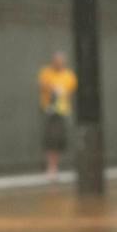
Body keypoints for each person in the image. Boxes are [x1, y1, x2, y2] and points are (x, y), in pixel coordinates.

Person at [37, 50, 77, 180]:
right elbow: (42, 84)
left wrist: (62, 92)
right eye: (56, 61)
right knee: (49, 138)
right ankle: (50, 167)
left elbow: (70, 93)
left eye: (61, 61)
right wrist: (53, 87)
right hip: (49, 110)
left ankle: (55, 166)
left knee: (58, 139)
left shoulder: (69, 75)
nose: (58, 63)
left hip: (62, 111)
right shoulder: (46, 72)